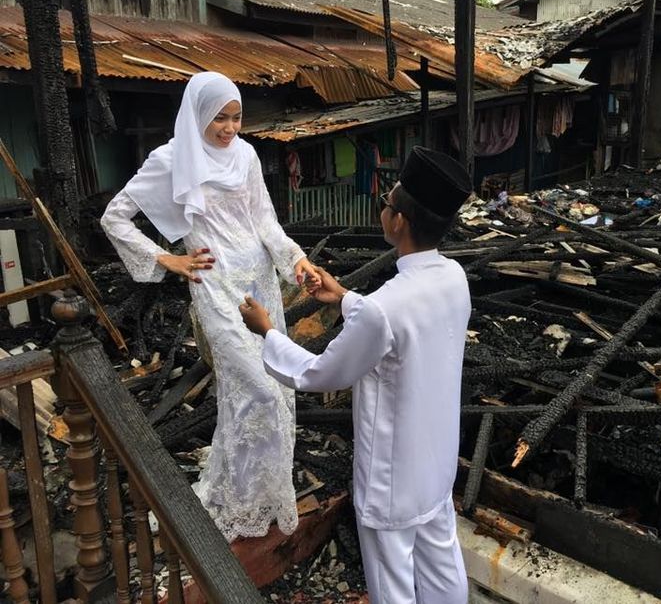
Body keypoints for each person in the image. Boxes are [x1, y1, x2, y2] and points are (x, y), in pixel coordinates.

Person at [240, 146, 473, 604]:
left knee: (393, 585)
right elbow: (399, 323)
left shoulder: (385, 309)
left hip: (392, 474)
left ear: (399, 221)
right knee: (442, 564)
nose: (383, 208)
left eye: (387, 201)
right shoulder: (454, 278)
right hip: (436, 462)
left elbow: (319, 371)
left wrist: (267, 332)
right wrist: (345, 296)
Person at [100, 71, 320, 542]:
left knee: (274, 392)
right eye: (220, 117)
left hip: (259, 286)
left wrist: (297, 261)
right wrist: (167, 258)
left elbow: (267, 222)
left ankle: (258, 496)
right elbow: (114, 216)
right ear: (198, 113)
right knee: (256, 390)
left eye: (237, 116)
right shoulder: (170, 159)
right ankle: (235, 500)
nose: (230, 127)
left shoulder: (246, 156)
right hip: (215, 289)